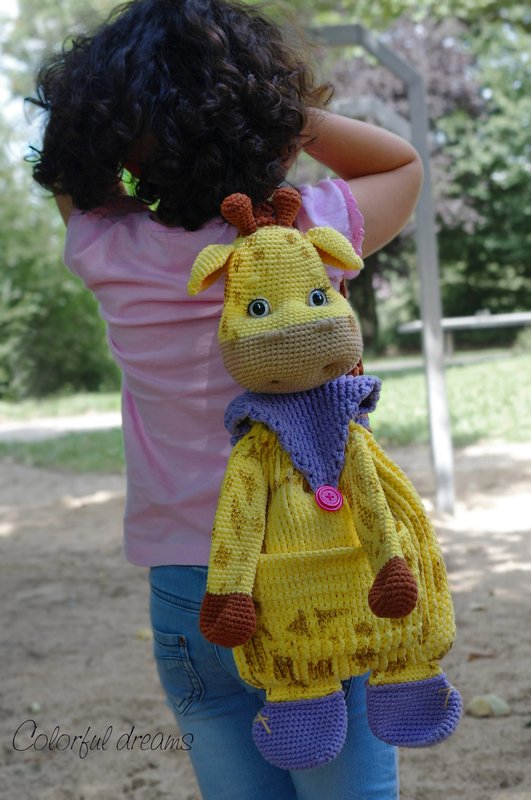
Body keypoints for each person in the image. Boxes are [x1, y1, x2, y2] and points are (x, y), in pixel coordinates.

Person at [30, 0, 423, 797]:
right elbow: (400, 167)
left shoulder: (108, 250)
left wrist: (120, 122)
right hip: (311, 571)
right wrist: (280, 112)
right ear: (264, 116)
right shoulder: (310, 236)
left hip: (187, 588)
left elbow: (72, 177)